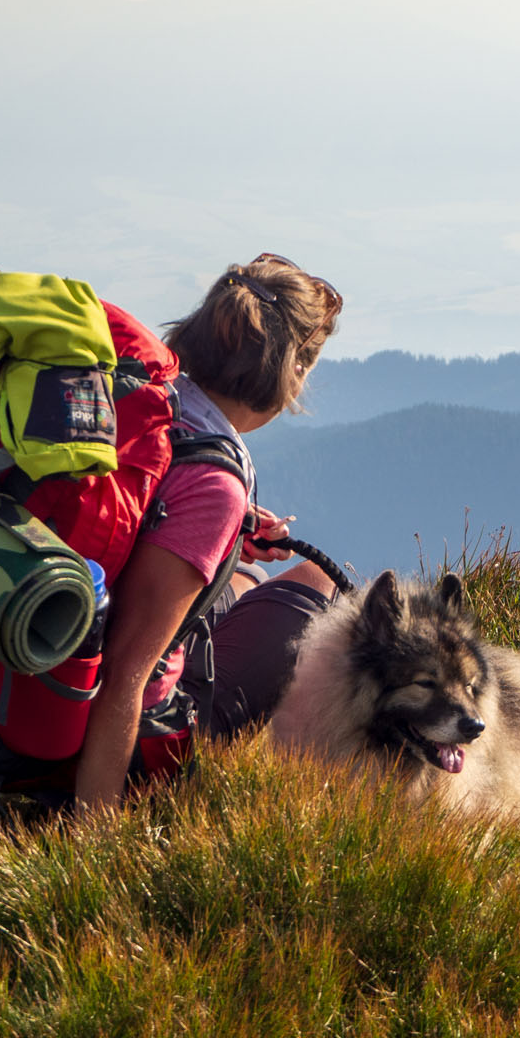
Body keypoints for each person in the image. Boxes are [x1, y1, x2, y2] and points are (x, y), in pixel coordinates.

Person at [75, 254, 343, 811]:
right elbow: (127, 669)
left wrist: (233, 529)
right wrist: (91, 844)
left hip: (57, 660)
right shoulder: (215, 484)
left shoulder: (153, 400)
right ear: (289, 371)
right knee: (316, 586)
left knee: (244, 579)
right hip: (131, 734)